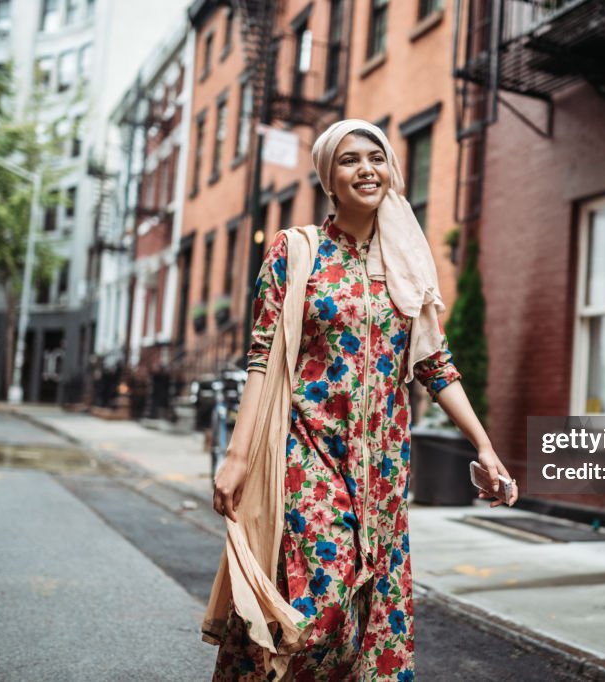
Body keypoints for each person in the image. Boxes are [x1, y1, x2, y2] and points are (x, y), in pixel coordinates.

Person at [206, 119, 517, 681]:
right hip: (308, 449)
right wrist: (238, 456)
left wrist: (485, 445)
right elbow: (262, 356)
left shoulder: (405, 262)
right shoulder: (297, 251)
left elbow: (434, 364)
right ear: (329, 177)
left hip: (383, 463)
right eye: (349, 160)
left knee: (367, 609)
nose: (365, 169)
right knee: (319, 599)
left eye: (375, 157)